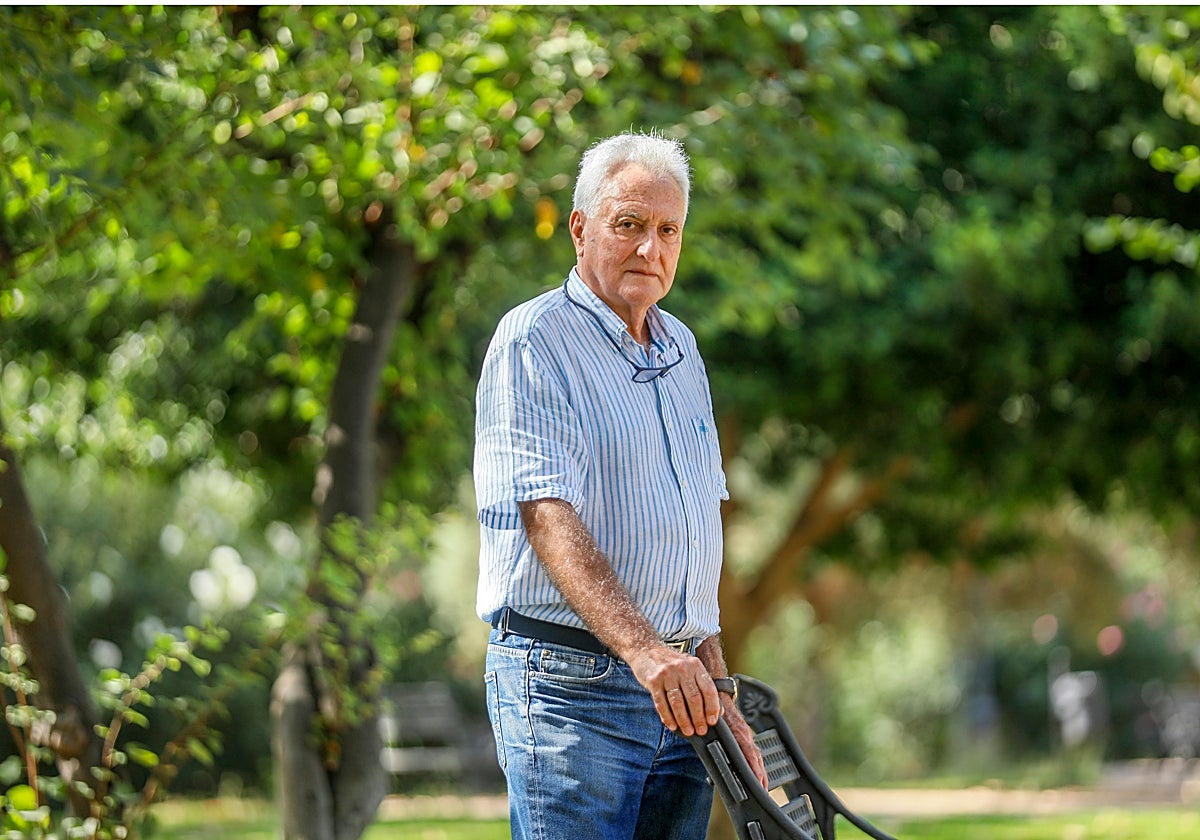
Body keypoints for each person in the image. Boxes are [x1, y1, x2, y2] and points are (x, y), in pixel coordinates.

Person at [474, 130, 767, 840]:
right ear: (581, 229)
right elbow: (546, 514)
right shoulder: (533, 340)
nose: (650, 249)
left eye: (668, 230)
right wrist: (647, 655)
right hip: (571, 687)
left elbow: (689, 539)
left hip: (680, 697)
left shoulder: (681, 350)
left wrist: (715, 682)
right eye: (628, 225)